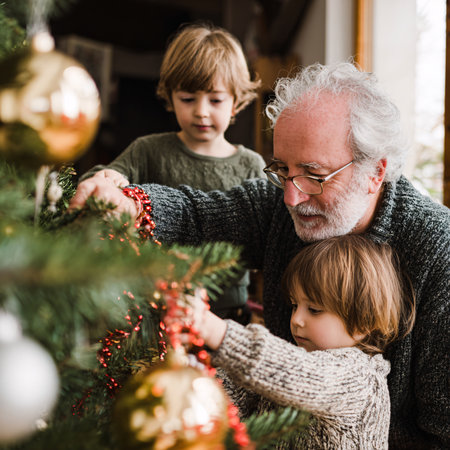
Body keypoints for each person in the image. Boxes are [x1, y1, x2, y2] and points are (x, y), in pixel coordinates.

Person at [70, 62, 450, 448]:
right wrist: (132, 205)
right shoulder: (278, 203)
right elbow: (198, 217)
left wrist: (217, 335)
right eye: (282, 170)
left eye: (313, 176)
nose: (291, 197)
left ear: (375, 172)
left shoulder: (440, 251)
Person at [78, 23, 266, 324]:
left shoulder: (252, 165)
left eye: (215, 100)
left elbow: (265, 233)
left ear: (237, 101)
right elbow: (105, 177)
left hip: (227, 314)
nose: (201, 111)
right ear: (170, 95)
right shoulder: (148, 150)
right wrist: (107, 180)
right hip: (154, 308)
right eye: (188, 99)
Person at [176, 235, 415, 449]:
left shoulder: (360, 380)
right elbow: (230, 394)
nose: (297, 319)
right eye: (294, 305)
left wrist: (213, 329)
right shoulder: (283, 367)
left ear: (363, 323)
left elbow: (300, 374)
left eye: (314, 309)